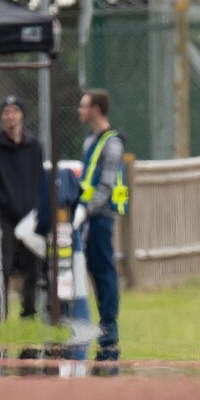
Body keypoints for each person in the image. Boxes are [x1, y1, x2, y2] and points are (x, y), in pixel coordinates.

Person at [0, 94, 47, 319]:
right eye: (6, 112)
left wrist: (38, 207)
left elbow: (41, 178)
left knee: (33, 267)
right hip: (6, 215)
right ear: (2, 117)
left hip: (31, 215)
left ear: (21, 115)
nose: (10, 116)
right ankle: (1, 312)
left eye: (14, 111)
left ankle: (29, 311)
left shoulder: (35, 146)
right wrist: (2, 200)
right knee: (4, 266)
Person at [74, 89, 126, 362]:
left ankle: (109, 333)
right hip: (89, 217)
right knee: (94, 271)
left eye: (84, 106)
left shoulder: (112, 143)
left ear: (96, 109)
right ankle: (101, 330)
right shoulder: (90, 141)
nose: (80, 111)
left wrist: (86, 208)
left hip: (101, 217)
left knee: (104, 272)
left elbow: (106, 185)